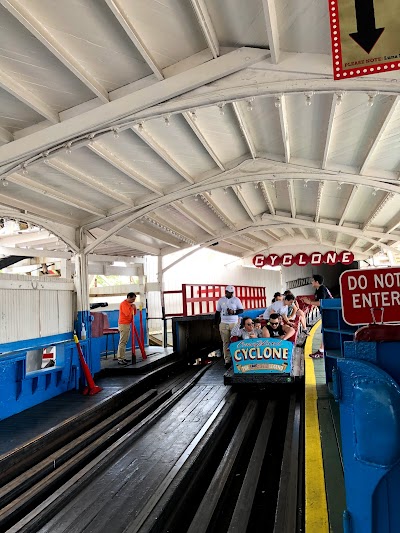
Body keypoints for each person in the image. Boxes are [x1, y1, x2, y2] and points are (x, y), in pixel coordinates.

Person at [303, 275, 333, 358]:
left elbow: (321, 303)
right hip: (326, 312)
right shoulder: (318, 290)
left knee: (325, 331)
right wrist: (310, 302)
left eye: (313, 280)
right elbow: (316, 301)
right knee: (325, 331)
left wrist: (309, 302)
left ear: (316, 282)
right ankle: (322, 350)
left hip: (330, 312)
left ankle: (321, 351)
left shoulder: (321, 290)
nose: (311, 282)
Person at [214, 285, 244, 368]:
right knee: (226, 342)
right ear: (225, 292)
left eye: (231, 293)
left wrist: (233, 312)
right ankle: (227, 360)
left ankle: (236, 359)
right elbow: (217, 312)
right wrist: (215, 323)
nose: (230, 294)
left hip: (234, 323)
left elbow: (241, 310)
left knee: (234, 340)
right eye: (228, 293)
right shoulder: (221, 300)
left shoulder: (236, 300)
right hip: (224, 323)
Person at [117, 292, 137, 365]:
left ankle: (122, 357)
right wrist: (132, 307)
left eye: (134, 299)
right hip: (123, 324)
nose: (133, 301)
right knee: (122, 341)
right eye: (132, 299)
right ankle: (120, 358)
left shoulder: (130, 305)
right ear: (128, 297)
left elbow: (134, 313)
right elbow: (127, 313)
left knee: (124, 342)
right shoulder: (123, 304)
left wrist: (134, 308)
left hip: (127, 324)